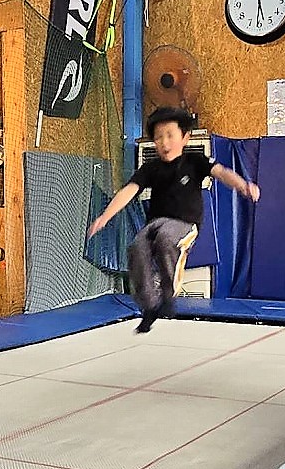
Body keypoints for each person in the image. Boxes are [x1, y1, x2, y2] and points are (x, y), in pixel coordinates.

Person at [88, 107, 260, 333]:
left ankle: (168, 293)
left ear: (185, 137)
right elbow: (129, 190)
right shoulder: (151, 168)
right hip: (154, 223)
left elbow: (222, 172)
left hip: (185, 225)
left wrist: (243, 186)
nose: (164, 143)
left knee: (165, 238)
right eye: (158, 138)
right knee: (137, 248)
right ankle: (149, 305)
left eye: (170, 135)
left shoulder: (194, 161)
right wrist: (105, 216)